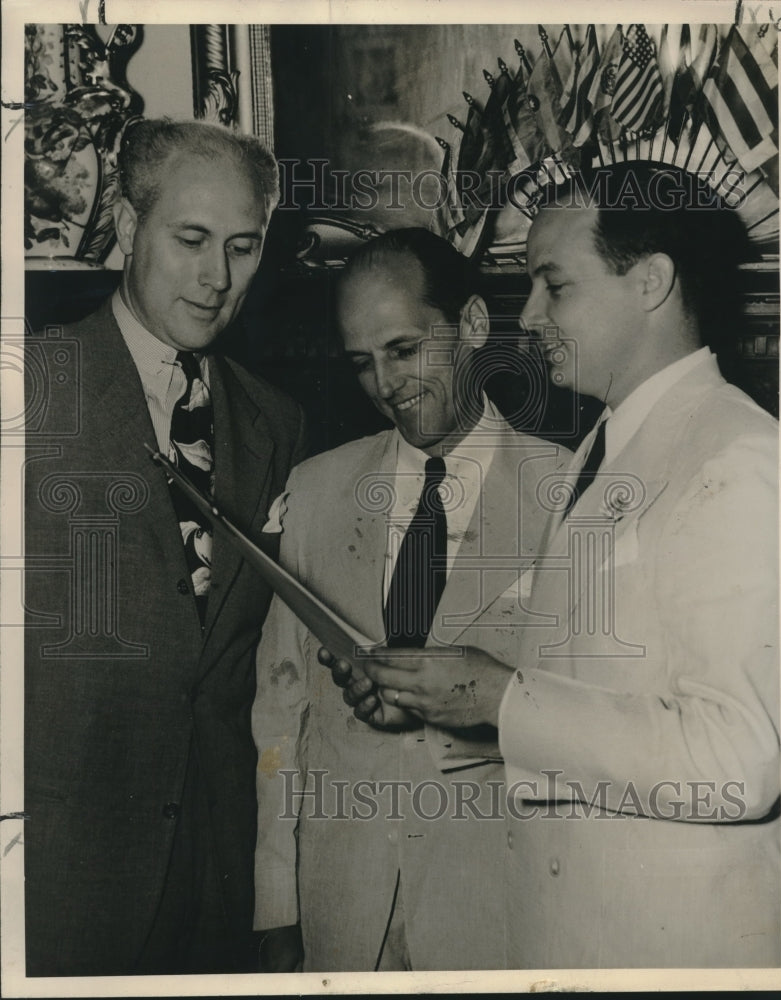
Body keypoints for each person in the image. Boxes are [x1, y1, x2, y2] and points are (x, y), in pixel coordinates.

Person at [343, 164, 781, 968]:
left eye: (554, 285)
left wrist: (499, 694)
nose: (531, 315)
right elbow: (597, 696)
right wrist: (452, 703)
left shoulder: (739, 454)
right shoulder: (605, 442)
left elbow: (736, 763)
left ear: (649, 282)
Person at [24, 118, 305, 976]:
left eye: (244, 247)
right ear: (122, 221)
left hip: (219, 884)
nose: (217, 278)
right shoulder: (27, 390)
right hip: (58, 880)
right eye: (190, 239)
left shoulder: (277, 422)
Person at [251, 228, 571, 971]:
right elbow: (280, 711)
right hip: (339, 913)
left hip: (496, 914)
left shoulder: (569, 493)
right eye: (361, 362)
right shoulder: (316, 488)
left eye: (402, 349)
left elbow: (594, 729)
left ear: (474, 326)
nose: (386, 384)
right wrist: (276, 903)